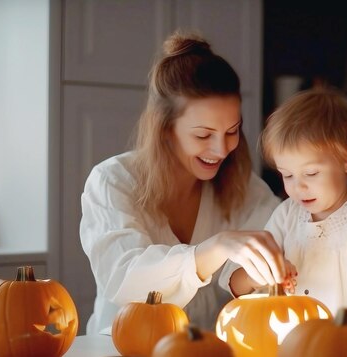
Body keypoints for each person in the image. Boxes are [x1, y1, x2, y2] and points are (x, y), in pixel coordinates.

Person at [79, 31, 285, 334]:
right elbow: (125, 278)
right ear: (164, 129)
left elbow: (279, 251)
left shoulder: (248, 190)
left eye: (232, 131)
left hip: (210, 350)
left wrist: (259, 275)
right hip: (124, 348)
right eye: (203, 135)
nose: (221, 149)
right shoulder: (111, 181)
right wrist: (215, 248)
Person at [222, 88, 347, 322]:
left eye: (311, 173)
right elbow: (236, 285)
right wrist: (262, 275)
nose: (298, 187)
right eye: (287, 175)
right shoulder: (286, 214)